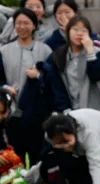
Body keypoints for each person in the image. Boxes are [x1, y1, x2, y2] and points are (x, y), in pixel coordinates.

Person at [0, 8, 51, 163]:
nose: (22, 27)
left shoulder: (45, 50)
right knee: (13, 159)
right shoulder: (4, 50)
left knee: (38, 157)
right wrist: (4, 87)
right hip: (11, 113)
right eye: (18, 23)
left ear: (34, 25)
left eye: (26, 23)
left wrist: (39, 76)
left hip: (37, 114)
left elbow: (52, 80)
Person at [42, 14, 100, 113]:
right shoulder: (59, 54)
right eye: (75, 29)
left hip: (94, 109)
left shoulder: (97, 52)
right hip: (69, 108)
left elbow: (96, 75)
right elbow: (56, 83)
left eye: (84, 31)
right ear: (68, 31)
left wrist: (90, 51)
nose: (79, 33)